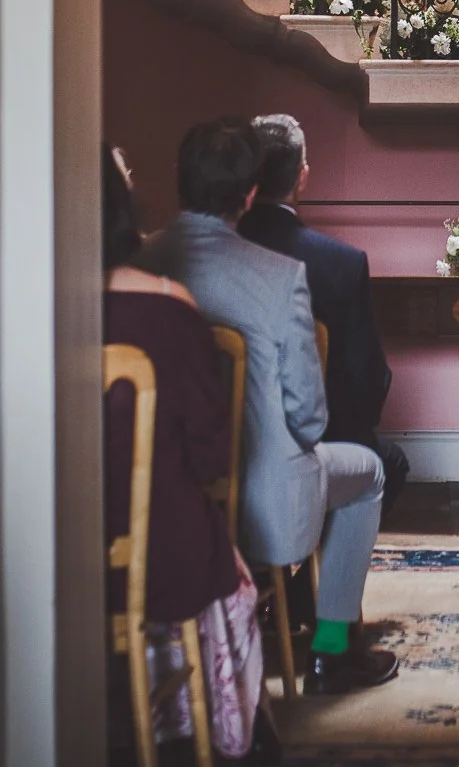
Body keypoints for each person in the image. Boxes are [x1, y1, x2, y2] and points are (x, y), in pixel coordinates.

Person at [138, 118, 398, 694]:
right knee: (371, 473)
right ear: (250, 192)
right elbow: (307, 416)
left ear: (179, 177)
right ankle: (332, 650)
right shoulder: (281, 277)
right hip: (265, 501)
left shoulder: (140, 260)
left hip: (159, 495)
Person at [102, 144, 269, 760]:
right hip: (158, 552)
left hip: (44, 554)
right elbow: (209, 455)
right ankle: (226, 730)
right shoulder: (168, 305)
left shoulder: (13, 312)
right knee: (232, 576)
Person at [239, 113, 410, 518]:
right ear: (302, 177)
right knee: (389, 463)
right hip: (314, 439)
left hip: (226, 439)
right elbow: (366, 382)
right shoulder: (341, 263)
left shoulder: (210, 256)